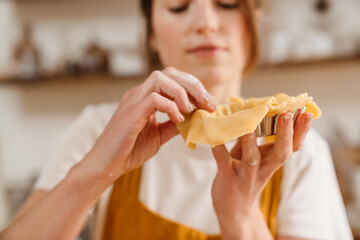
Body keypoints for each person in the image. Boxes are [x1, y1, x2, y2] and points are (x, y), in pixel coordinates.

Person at [5, 0, 353, 239]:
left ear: (253, 24)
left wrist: (241, 218)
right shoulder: (99, 128)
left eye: (227, 3)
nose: (205, 22)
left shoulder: (298, 151)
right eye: (178, 5)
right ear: (151, 32)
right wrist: (96, 170)